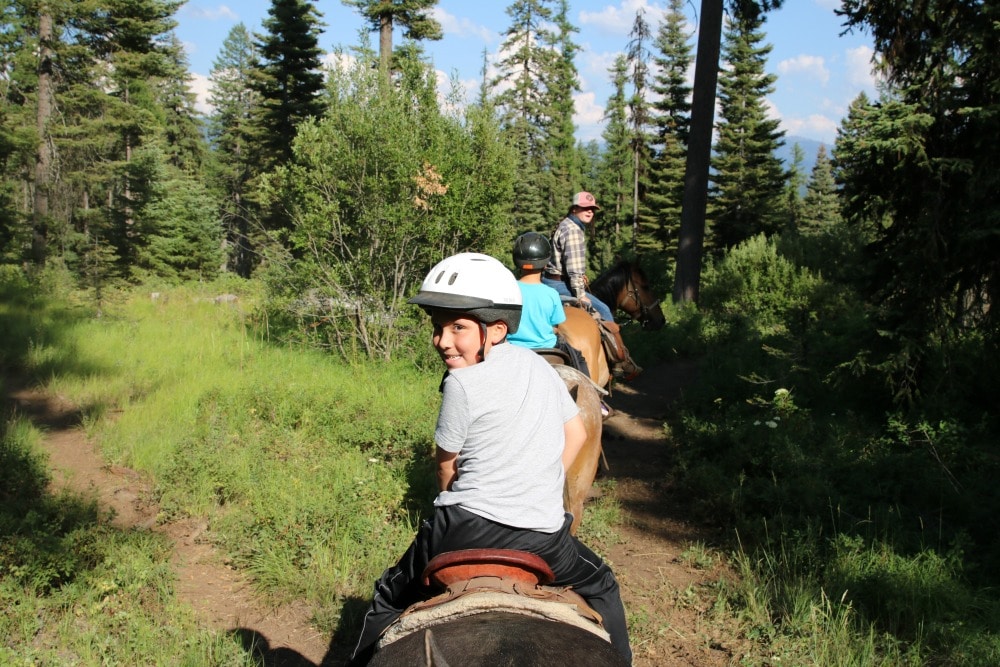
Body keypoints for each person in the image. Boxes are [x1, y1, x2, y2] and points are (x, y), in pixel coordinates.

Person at [347, 252, 632, 666]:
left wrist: (450, 499)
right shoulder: (540, 368)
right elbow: (578, 434)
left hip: (460, 529)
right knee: (603, 584)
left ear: (496, 330)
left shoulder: (460, 383)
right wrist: (544, 482)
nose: (442, 340)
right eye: (438, 327)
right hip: (542, 535)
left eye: (457, 327)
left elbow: (446, 466)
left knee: (388, 594)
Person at [543, 191, 642, 379]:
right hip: (562, 284)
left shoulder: (565, 225)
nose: (590, 211)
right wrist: (580, 294)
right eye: (585, 208)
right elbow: (574, 267)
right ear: (574, 208)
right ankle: (620, 363)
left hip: (550, 280)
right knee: (604, 310)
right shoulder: (573, 230)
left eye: (592, 209)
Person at [508, 231, 565, 350]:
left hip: (512, 349)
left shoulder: (508, 290)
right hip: (546, 350)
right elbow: (555, 327)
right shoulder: (552, 294)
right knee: (578, 359)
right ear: (545, 265)